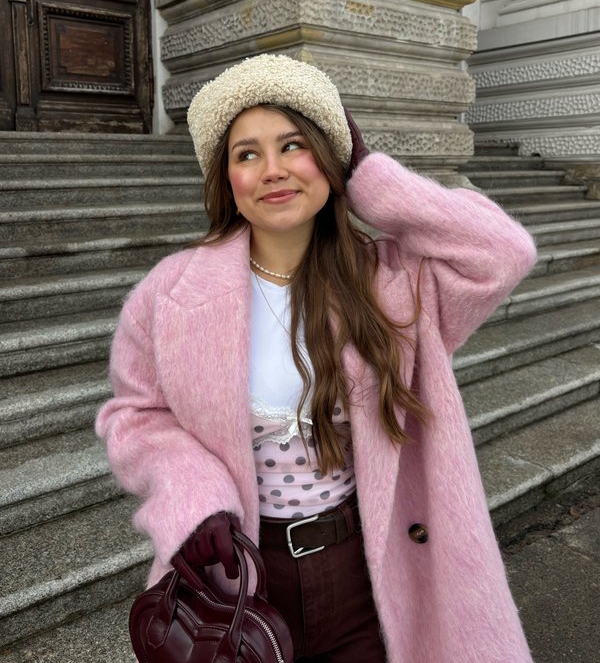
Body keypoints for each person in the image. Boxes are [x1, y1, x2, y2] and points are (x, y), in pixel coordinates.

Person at [96, 54, 537, 663]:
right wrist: (193, 500)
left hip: (368, 568)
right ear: (226, 179)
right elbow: (136, 414)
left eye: (294, 145)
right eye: (246, 154)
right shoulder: (170, 294)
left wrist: (368, 175)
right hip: (237, 581)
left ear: (330, 160)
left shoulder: (394, 282)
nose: (272, 170)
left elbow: (502, 252)